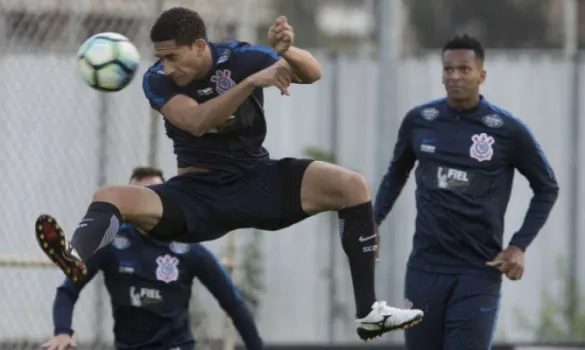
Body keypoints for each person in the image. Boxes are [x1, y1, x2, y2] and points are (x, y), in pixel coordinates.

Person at [34, 6, 423, 341]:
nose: (167, 67)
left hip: (257, 181)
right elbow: (197, 122)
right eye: (161, 58)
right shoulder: (157, 81)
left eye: (173, 58)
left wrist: (287, 52)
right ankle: (76, 256)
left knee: (351, 186)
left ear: (200, 46)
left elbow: (312, 73)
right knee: (110, 194)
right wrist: (252, 82)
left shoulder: (240, 57)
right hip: (195, 195)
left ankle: (370, 312)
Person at [373, 34, 559, 349]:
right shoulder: (420, 121)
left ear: (481, 75)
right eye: (448, 69)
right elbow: (397, 171)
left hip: (478, 271)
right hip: (424, 270)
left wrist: (517, 246)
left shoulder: (505, 130)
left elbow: (547, 187)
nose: (455, 77)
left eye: (464, 69)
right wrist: (373, 220)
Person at [42, 167, 263, 350]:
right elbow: (68, 290)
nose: (142, 203)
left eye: (150, 195)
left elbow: (233, 302)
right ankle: (74, 247)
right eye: (135, 196)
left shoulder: (188, 247)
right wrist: (62, 331)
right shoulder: (112, 245)